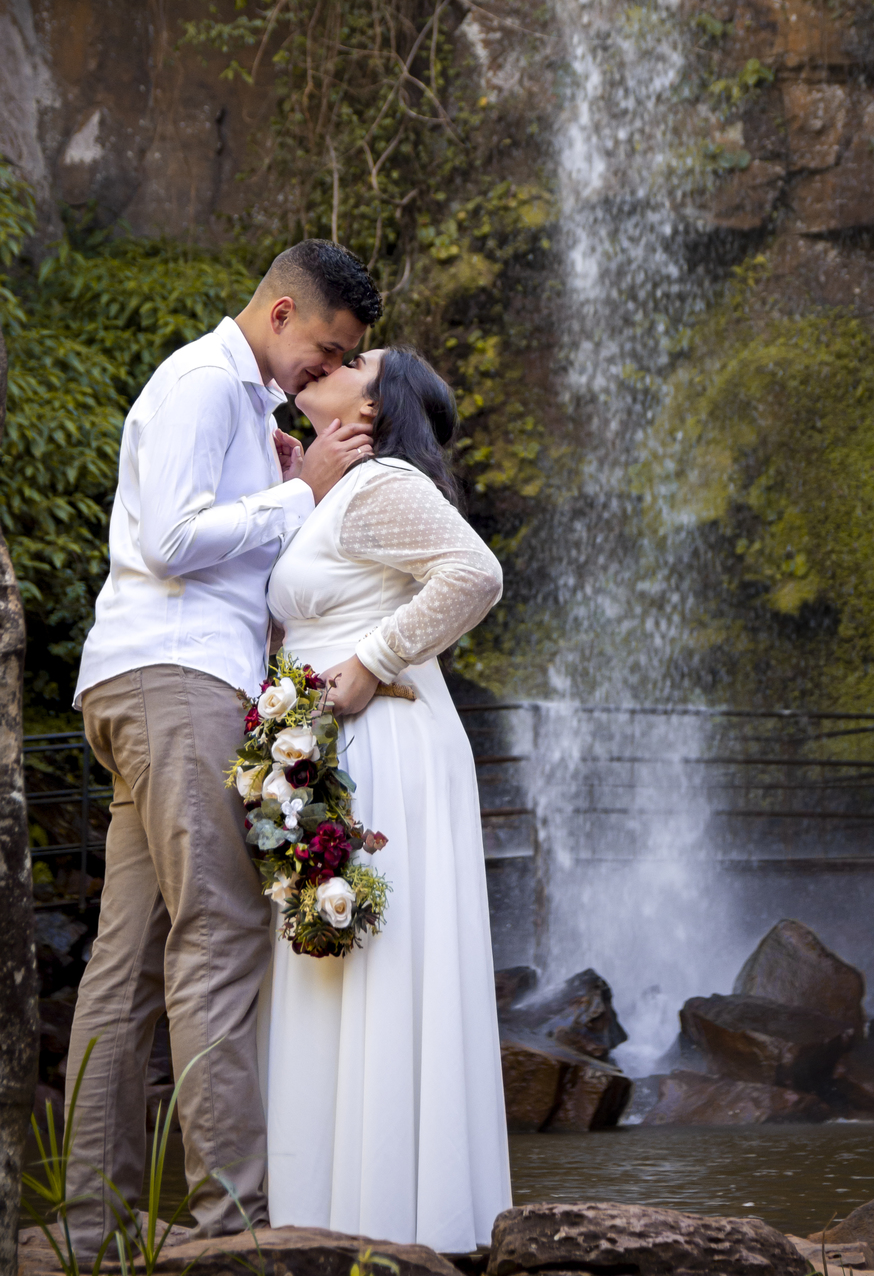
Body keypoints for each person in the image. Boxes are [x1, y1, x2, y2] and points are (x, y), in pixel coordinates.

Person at [63, 241, 383, 1260]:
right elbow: (169, 540)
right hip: (177, 683)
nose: (322, 378)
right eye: (324, 353)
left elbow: (220, 548)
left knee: (125, 962)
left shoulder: (248, 412)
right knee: (221, 937)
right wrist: (304, 496)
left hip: (147, 681)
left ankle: (89, 1229)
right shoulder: (206, 382)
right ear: (281, 313)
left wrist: (282, 480)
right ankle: (231, 1229)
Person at [261, 345, 511, 1255]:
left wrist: (373, 660)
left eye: (355, 357)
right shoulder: (335, 493)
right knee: (336, 961)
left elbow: (475, 574)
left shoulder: (382, 483)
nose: (331, 357)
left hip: (388, 742)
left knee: (379, 958)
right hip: (336, 750)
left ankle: (403, 1222)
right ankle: (333, 1213)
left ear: (374, 404)